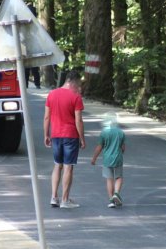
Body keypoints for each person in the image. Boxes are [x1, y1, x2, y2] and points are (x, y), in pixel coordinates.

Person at [44, 70, 85, 208]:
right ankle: (65, 200)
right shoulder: (76, 97)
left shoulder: (51, 94)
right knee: (68, 167)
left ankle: (54, 197)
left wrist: (46, 135)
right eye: (78, 83)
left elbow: (46, 117)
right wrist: (82, 138)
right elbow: (78, 120)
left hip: (56, 135)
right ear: (72, 81)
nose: (78, 86)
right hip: (70, 136)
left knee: (57, 165)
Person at [91, 112, 126, 208]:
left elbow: (99, 147)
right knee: (118, 177)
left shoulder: (104, 133)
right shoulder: (120, 132)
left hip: (107, 159)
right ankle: (116, 193)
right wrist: (121, 151)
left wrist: (94, 158)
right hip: (118, 158)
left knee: (109, 179)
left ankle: (111, 200)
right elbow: (123, 148)